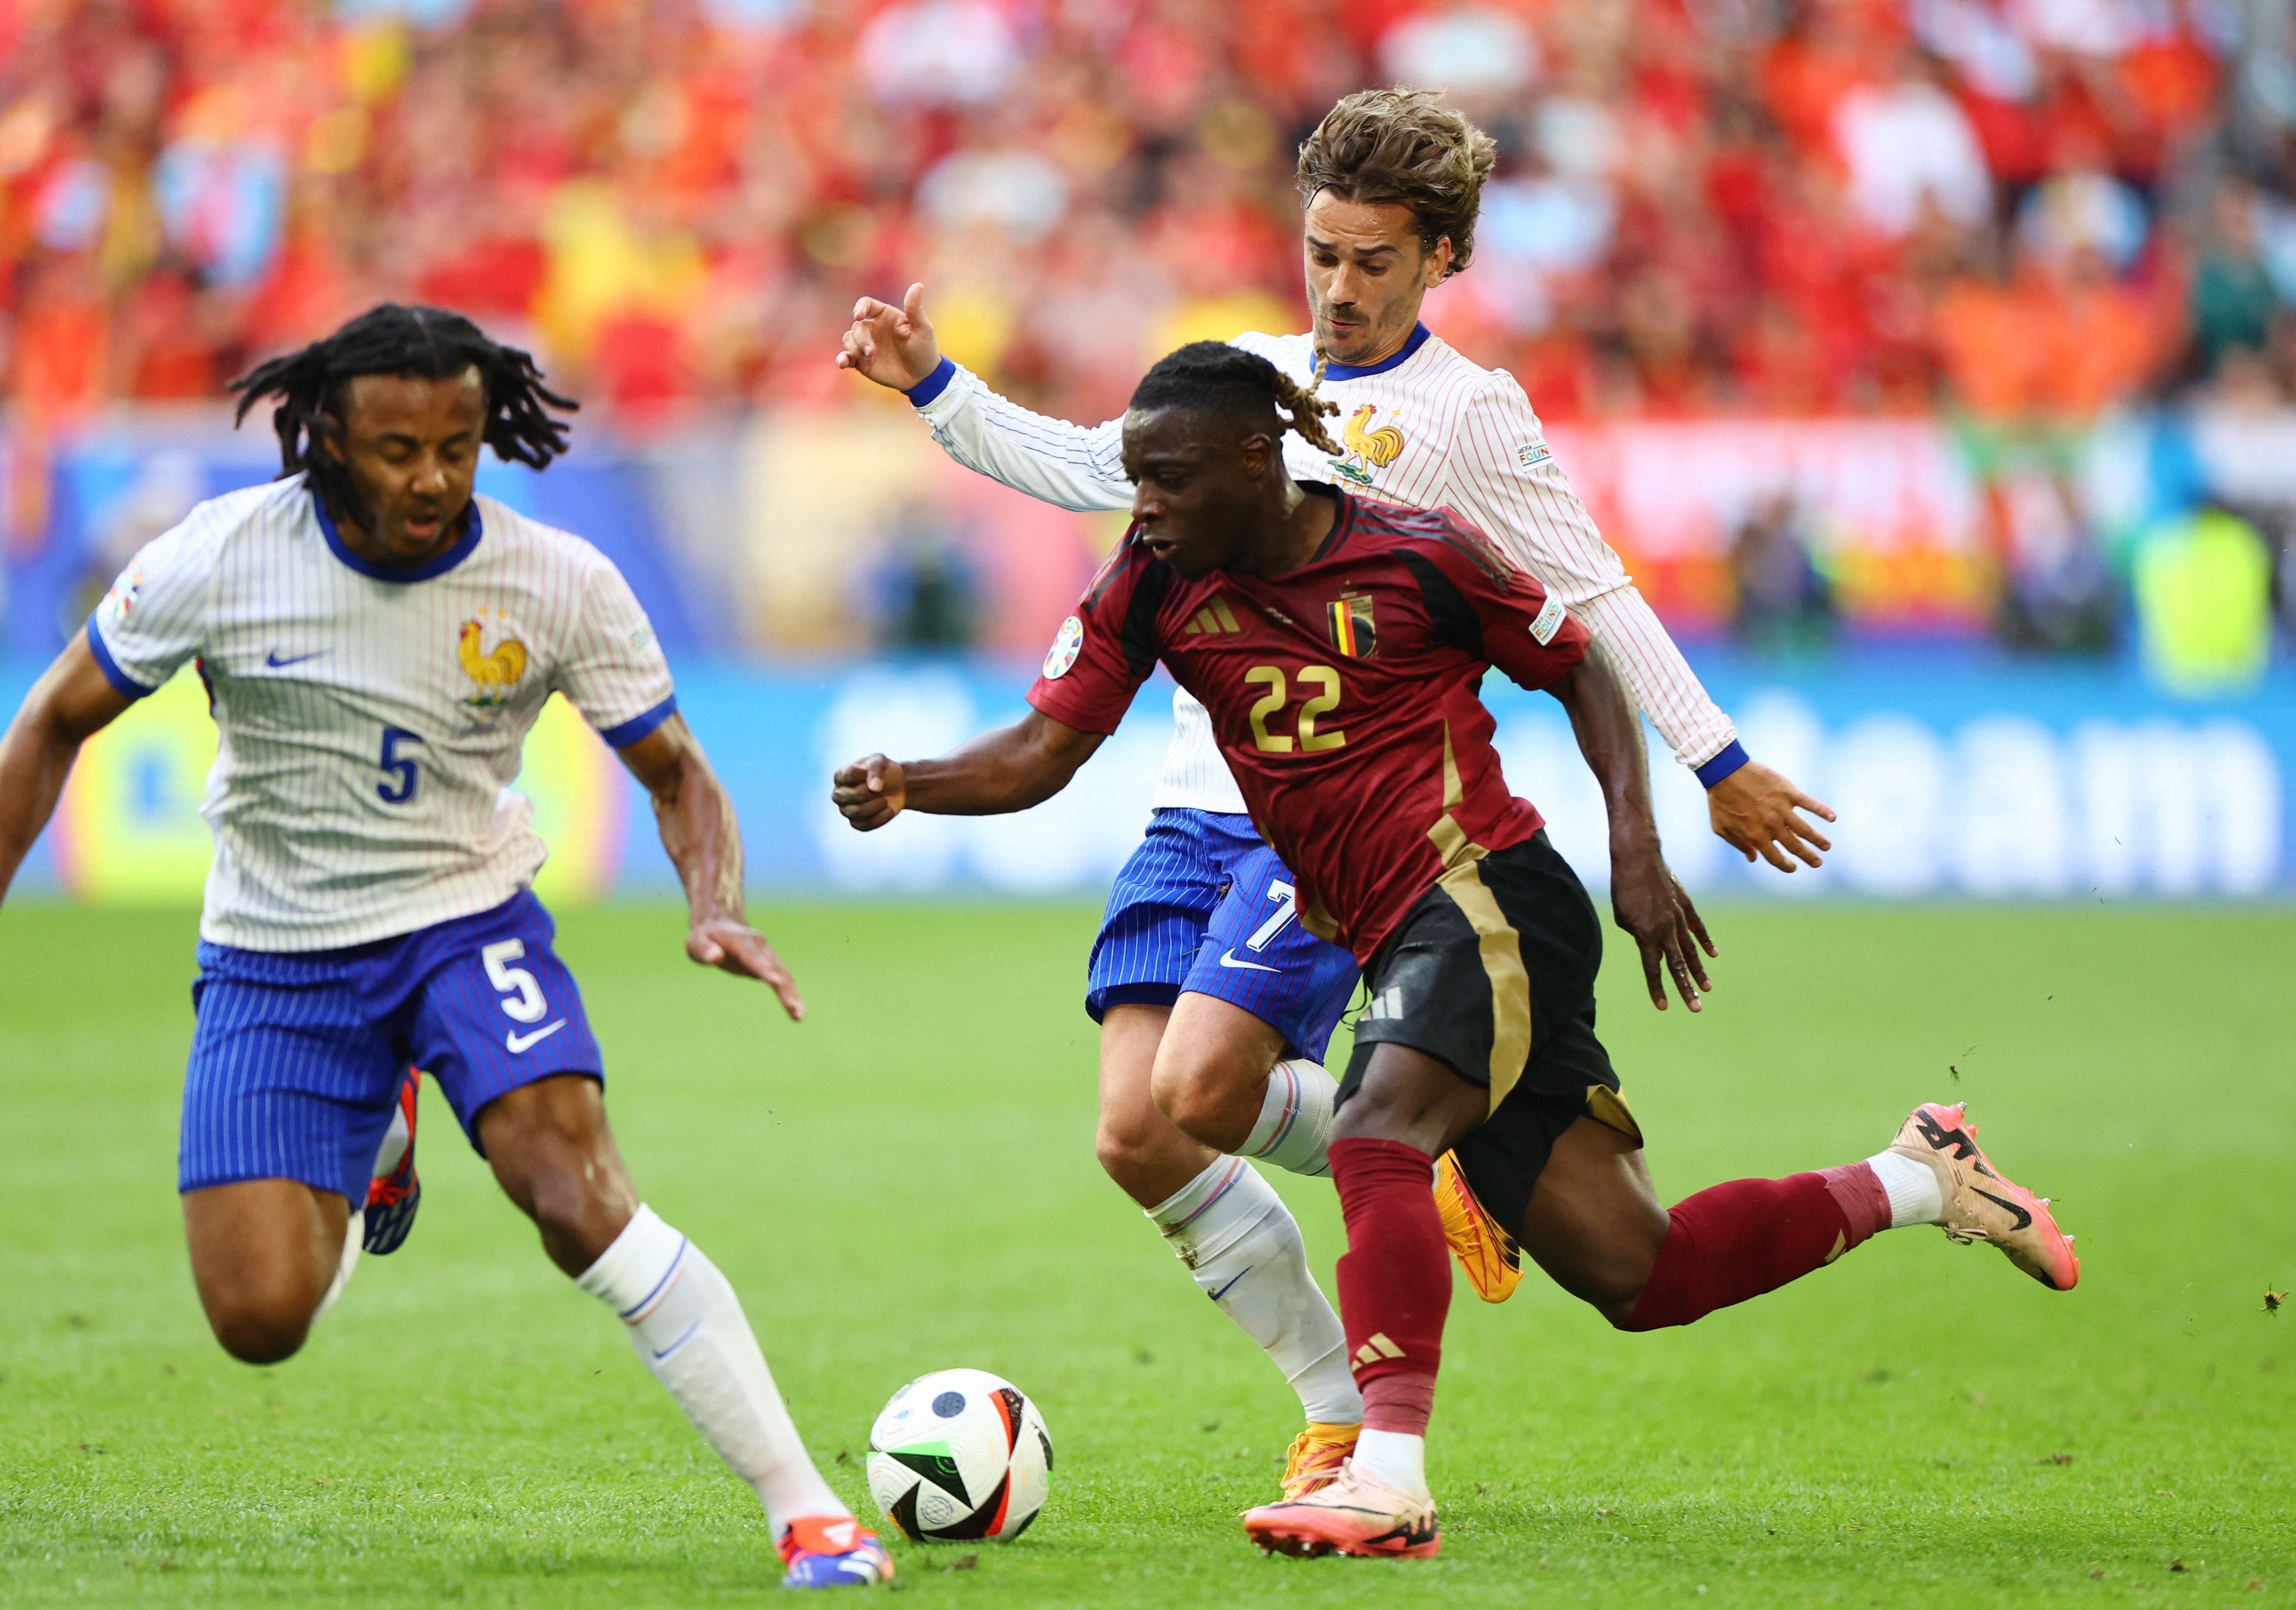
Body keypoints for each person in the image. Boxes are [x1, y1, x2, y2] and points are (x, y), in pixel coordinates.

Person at [833, 343, 2076, 1559]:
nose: (1143, 506)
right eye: (1136, 478)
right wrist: (910, 782)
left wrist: (1636, 845)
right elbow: (1041, 751)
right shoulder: (1154, 582)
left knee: (1376, 1131)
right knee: (1643, 1271)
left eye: (1168, 478)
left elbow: (1580, 667)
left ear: (1258, 461)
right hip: (1394, 927)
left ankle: (1382, 1473)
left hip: (1486, 893)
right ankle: (1923, 1175)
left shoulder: (1415, 552)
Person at [834, 87, 1836, 1495]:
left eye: (1374, 261)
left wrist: (1713, 761)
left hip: (1326, 825)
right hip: (1190, 811)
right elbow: (1085, 466)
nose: (1341, 288)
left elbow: (1591, 596)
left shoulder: (1468, 414)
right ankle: (1347, 1359)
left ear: (1441, 258)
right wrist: (939, 386)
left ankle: (1405, 1179)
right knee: (1136, 1130)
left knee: (1204, 1080)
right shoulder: (1239, 383)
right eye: (1323, 254)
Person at [0, 305, 890, 1591]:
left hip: (462, 923)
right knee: (259, 1320)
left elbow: (679, 771)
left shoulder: (555, 579)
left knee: (575, 1192)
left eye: (458, 447)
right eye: (399, 449)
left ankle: (807, 1511)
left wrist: (714, 901)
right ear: (328, 440)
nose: (432, 477)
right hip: (275, 952)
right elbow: (50, 721)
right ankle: (379, 1133)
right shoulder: (219, 555)